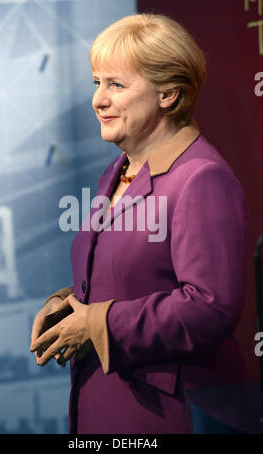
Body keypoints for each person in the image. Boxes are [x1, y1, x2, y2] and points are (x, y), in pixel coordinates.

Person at [30, 13, 249, 434]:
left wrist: (96, 325)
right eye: (97, 83)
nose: (98, 100)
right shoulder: (116, 172)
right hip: (103, 404)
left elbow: (210, 306)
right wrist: (70, 306)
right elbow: (127, 278)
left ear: (168, 94)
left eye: (116, 84)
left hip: (167, 413)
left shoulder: (201, 177)